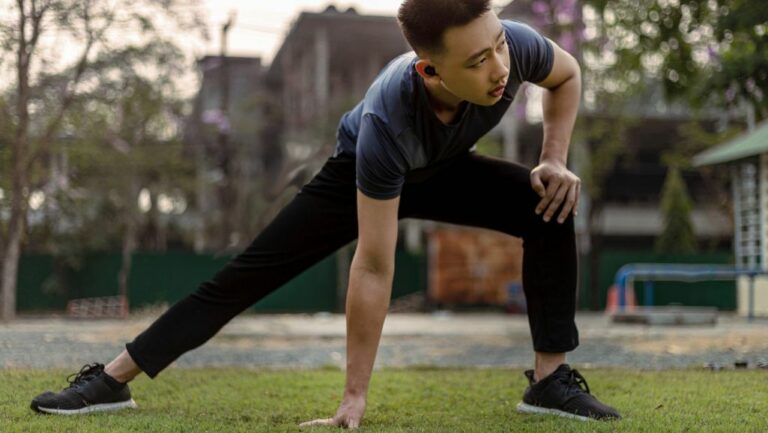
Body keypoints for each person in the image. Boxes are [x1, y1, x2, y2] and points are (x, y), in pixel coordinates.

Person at [30, 0, 621, 425]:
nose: (498, 70)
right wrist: (354, 398)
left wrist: (554, 158)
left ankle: (549, 382)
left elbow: (566, 75)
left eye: (498, 47)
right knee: (247, 276)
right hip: (363, 173)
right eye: (477, 61)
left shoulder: (511, 47)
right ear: (431, 70)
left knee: (550, 203)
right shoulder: (389, 119)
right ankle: (110, 381)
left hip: (441, 166)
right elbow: (373, 268)